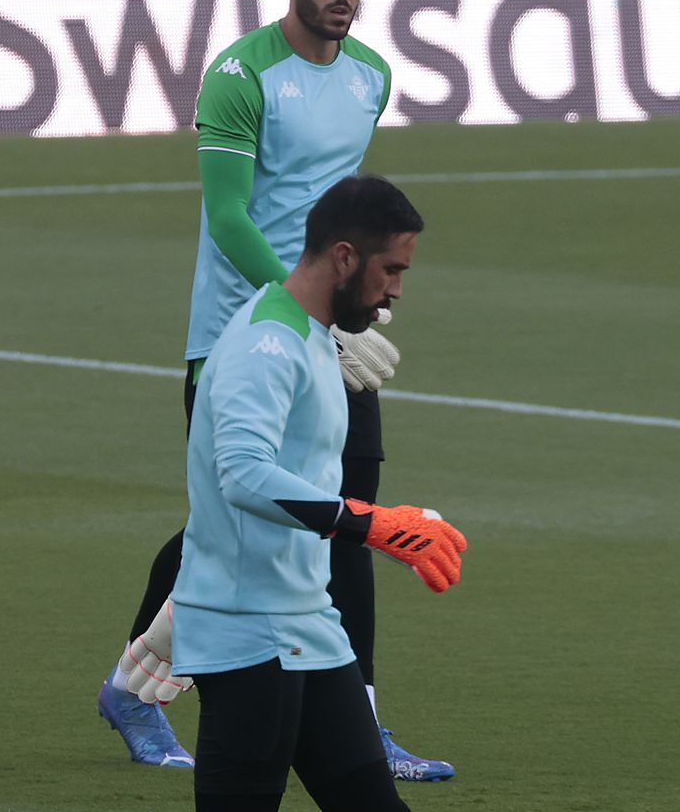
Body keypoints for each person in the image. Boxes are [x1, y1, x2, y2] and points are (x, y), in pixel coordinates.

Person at [98, 0, 454, 781]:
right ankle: (136, 690)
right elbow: (229, 217)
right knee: (226, 524)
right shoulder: (240, 75)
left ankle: (360, 719)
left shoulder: (371, 75)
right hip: (243, 333)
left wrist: (349, 307)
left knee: (348, 517)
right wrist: (300, 315)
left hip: (333, 326)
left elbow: (335, 209)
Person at [175, 174, 465, 811]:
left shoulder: (312, 335)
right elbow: (242, 474)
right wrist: (368, 523)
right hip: (248, 636)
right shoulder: (266, 344)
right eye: (391, 270)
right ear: (344, 257)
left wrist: (379, 524)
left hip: (310, 626)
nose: (396, 290)